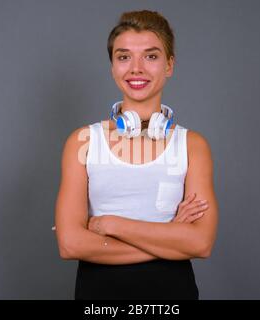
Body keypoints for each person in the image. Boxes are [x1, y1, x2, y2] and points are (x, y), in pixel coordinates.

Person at [54, 10, 218, 300]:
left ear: (169, 65)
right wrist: (169, 235)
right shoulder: (83, 142)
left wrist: (111, 225)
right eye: (124, 56)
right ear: (112, 66)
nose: (136, 68)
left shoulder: (192, 145)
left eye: (151, 56)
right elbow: (70, 244)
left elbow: (201, 243)